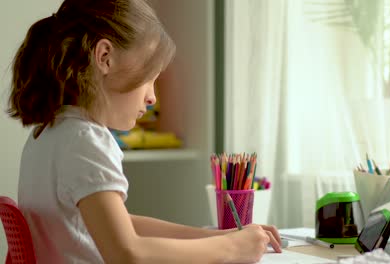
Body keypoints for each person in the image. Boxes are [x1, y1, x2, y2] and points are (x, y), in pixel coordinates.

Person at [7, 0, 282, 263]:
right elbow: (128, 253)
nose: (152, 97)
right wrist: (233, 247)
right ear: (105, 57)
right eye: (149, 78)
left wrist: (216, 237)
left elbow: (121, 228)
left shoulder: (49, 134)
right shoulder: (85, 141)